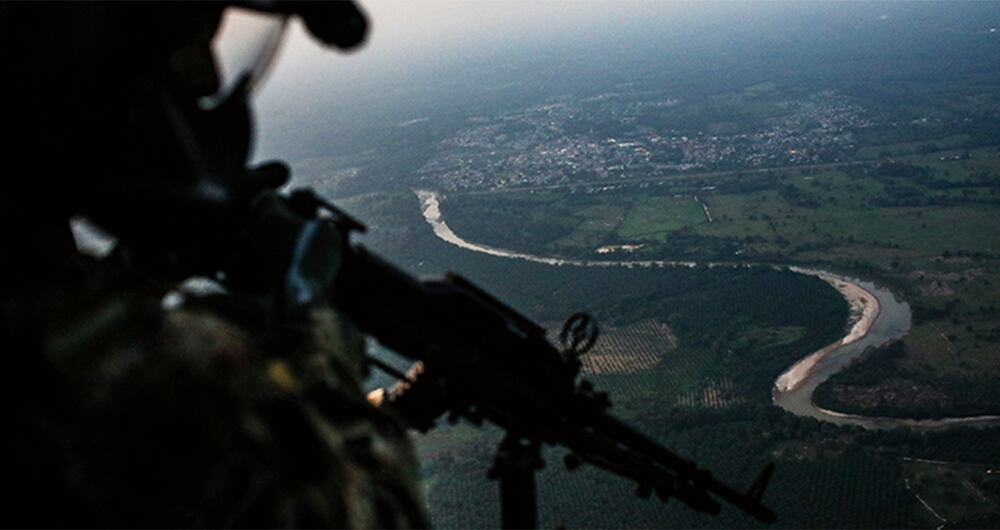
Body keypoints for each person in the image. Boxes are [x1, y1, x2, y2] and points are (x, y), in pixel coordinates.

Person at [0, 2, 428, 527]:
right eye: (187, 46)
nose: (209, 80)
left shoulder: (32, 283)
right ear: (83, 52)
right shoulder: (81, 363)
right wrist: (310, 319)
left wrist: (139, 273)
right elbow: (362, 512)